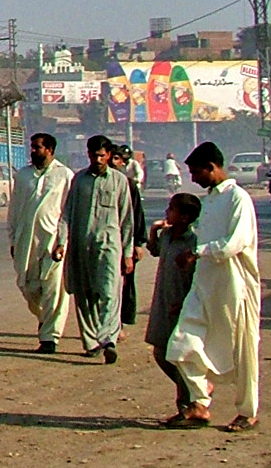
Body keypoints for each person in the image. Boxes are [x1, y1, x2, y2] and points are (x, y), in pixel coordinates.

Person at [166, 141, 262, 432]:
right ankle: (199, 403)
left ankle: (248, 411)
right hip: (205, 283)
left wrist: (199, 252)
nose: (192, 178)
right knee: (181, 343)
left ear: (212, 167)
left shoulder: (238, 198)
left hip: (236, 285)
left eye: (196, 172)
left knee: (243, 350)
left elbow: (235, 243)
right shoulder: (207, 202)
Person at [51, 135, 137, 363]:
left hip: (109, 246)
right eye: (93, 155)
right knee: (83, 294)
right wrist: (61, 242)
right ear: (88, 154)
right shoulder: (79, 180)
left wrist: (128, 253)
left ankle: (108, 338)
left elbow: (127, 220)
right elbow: (67, 213)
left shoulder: (119, 181)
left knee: (109, 292)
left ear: (109, 155)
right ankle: (91, 344)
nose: (97, 159)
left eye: (102, 155)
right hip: (81, 246)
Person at [9, 133, 73, 353]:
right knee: (27, 287)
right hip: (26, 242)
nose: (33, 151)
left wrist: (63, 242)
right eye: (32, 147)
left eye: (37, 147)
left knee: (55, 290)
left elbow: (66, 212)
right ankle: (44, 318)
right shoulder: (23, 176)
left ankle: (49, 338)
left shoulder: (64, 175)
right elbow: (14, 209)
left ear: (50, 150)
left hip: (53, 241)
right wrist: (12, 239)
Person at [146, 191, 206, 427]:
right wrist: (153, 231)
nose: (166, 212)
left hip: (182, 304)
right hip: (163, 300)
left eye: (171, 209)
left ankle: (188, 405)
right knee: (161, 352)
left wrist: (185, 303)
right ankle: (195, 392)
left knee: (179, 355)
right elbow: (154, 250)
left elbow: (199, 278)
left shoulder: (193, 243)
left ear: (184, 216)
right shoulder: (168, 235)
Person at [112, 144, 148, 332]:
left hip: (125, 242)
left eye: (118, 159)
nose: (113, 161)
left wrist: (138, 243)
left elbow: (136, 215)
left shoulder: (129, 185)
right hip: (101, 242)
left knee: (124, 284)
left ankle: (119, 323)